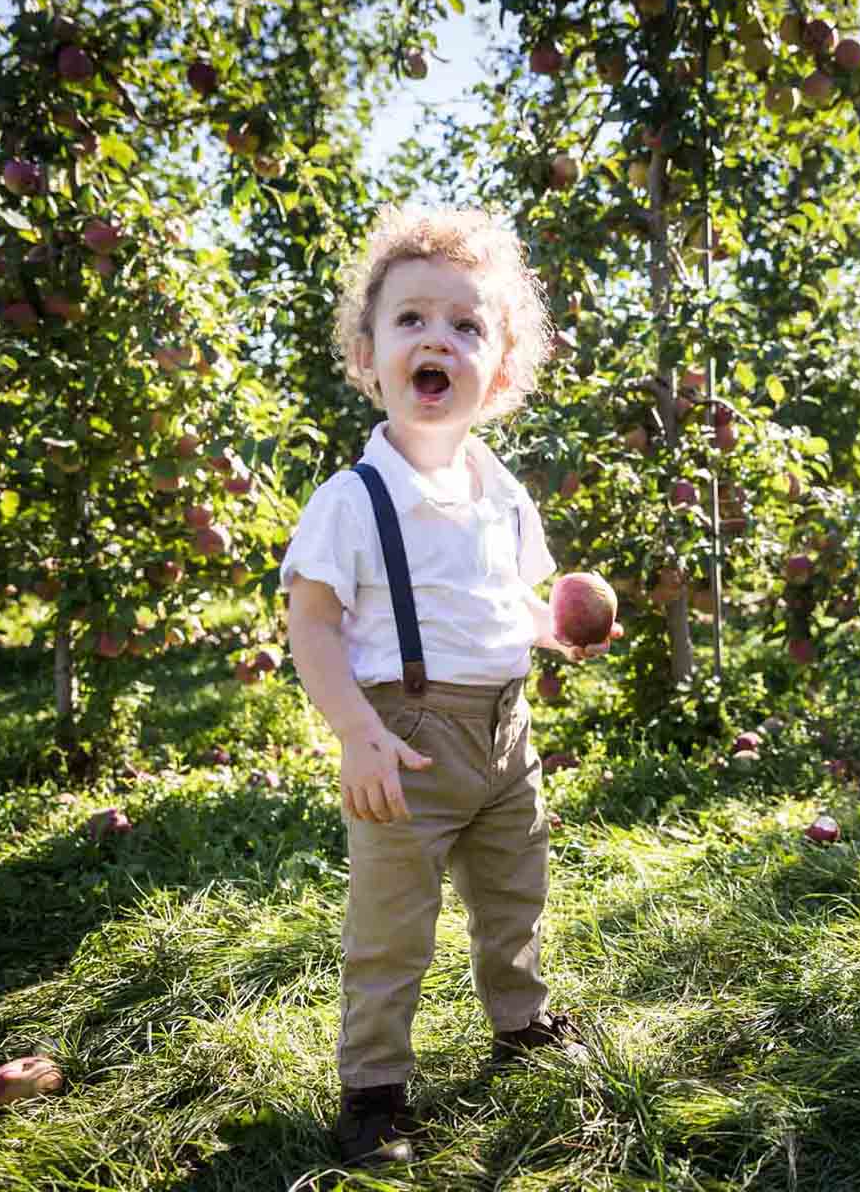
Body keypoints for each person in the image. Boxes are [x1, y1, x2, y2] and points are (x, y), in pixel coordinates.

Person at [283, 204, 619, 1166]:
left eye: (467, 326)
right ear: (369, 355)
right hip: (404, 737)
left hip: (506, 739)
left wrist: (558, 634)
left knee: (515, 894)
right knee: (393, 925)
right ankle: (375, 1089)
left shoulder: (502, 489)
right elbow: (310, 626)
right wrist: (355, 733)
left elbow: (512, 603)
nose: (439, 339)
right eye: (411, 321)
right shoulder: (351, 501)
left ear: (502, 369)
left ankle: (522, 1024)